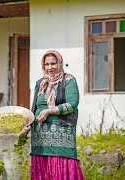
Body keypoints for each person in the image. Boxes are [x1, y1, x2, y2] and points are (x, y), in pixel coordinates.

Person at [19, 50, 84, 179]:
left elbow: (72, 104)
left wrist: (49, 111)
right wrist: (26, 127)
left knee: (61, 170)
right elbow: (34, 108)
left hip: (62, 135)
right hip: (40, 138)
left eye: (53, 63)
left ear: (60, 63)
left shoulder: (69, 80)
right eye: (47, 64)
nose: (50, 67)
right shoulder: (40, 83)